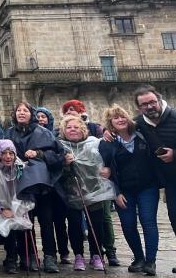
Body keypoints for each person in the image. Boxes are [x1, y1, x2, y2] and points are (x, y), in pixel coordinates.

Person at [130, 85, 176, 274]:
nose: (150, 107)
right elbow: (119, 126)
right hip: (173, 182)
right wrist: (107, 132)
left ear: (159, 101)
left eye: (152, 102)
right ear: (139, 108)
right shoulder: (140, 123)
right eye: (144, 104)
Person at [4, 101, 64, 274]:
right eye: (18, 110)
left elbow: (58, 154)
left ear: (32, 114)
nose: (21, 113)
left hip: (41, 185)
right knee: (25, 222)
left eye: (25, 110)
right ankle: (29, 256)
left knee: (46, 221)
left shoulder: (43, 132)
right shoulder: (8, 133)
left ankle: (50, 256)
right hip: (19, 184)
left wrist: (39, 154)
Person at [99, 104, 159, 275]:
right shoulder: (106, 144)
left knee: (148, 222)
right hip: (124, 191)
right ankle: (139, 258)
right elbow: (106, 171)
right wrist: (116, 193)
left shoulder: (142, 134)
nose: (120, 119)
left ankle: (150, 261)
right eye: (115, 118)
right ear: (110, 123)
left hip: (148, 186)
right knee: (128, 224)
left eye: (122, 116)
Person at [61, 99, 119, 266]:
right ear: (64, 131)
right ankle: (78, 255)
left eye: (76, 127)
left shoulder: (94, 142)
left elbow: (111, 155)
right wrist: (64, 164)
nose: (72, 130)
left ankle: (97, 255)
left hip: (94, 189)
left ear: (83, 129)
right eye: (69, 127)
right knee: (73, 224)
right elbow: (54, 169)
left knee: (97, 224)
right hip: (72, 190)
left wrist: (108, 168)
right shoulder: (60, 146)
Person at [0, 139, 35, 274]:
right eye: (4, 153)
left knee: (19, 226)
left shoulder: (19, 166)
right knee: (4, 232)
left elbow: (25, 189)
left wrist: (23, 207)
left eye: (11, 153)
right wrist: (1, 210)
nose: (8, 157)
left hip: (15, 206)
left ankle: (14, 258)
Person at [36, 106, 71, 266]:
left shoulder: (57, 135)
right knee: (46, 222)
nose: (40, 119)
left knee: (60, 221)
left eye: (43, 116)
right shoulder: (33, 137)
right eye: (38, 117)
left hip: (58, 185)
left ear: (49, 119)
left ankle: (64, 252)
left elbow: (62, 155)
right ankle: (49, 254)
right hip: (43, 186)